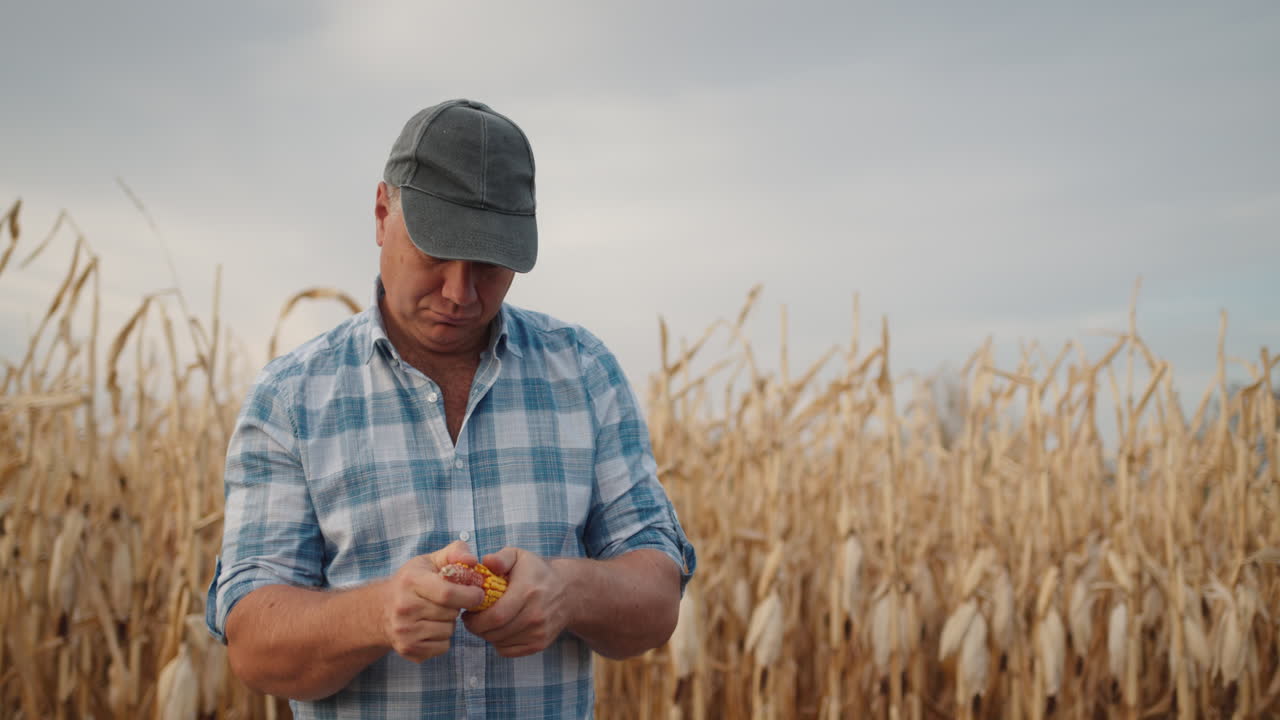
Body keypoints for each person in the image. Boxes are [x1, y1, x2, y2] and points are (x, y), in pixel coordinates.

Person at [205, 99, 696, 719]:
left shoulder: (586, 373)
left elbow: (658, 596)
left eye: (489, 265)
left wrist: (567, 592)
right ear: (383, 213)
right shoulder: (291, 400)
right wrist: (380, 613)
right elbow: (253, 644)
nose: (460, 293)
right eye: (436, 254)